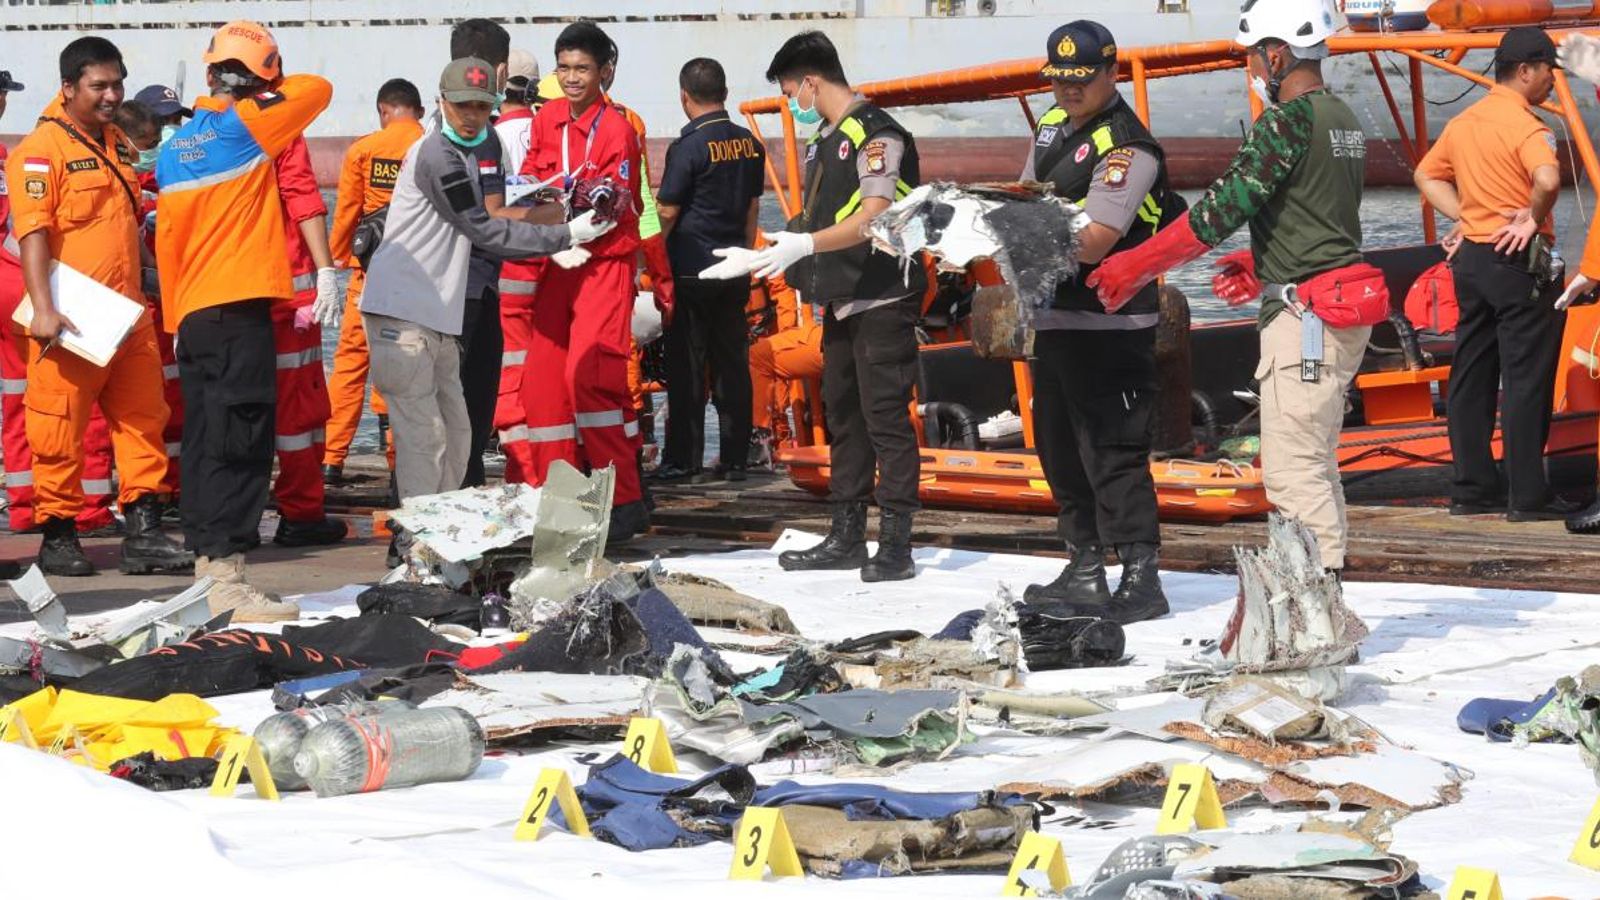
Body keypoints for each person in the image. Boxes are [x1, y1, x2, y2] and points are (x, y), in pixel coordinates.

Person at [1089, 0, 1370, 575]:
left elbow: (1213, 214)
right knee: (1315, 459)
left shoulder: (1286, 122)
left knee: (1291, 468)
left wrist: (1133, 266)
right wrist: (1264, 261)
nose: (1250, 68)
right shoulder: (1340, 116)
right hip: (1338, 301)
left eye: (1252, 56)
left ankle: (1316, 603)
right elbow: (1323, 216)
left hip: (1308, 318)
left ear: (1277, 53)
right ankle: (1323, 592)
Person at [704, 30, 928, 582]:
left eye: (790, 93)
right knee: (844, 417)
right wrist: (768, 255)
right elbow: (822, 216)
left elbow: (873, 214)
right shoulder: (827, 138)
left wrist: (803, 244)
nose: (792, 105)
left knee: (886, 420)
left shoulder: (876, 134)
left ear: (810, 82)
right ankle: (847, 534)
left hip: (882, 297)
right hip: (842, 302)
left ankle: (896, 544)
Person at [360, 58, 605, 536]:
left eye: (481, 106)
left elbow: (496, 209)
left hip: (441, 313)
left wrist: (549, 214)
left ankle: (444, 536)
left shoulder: (487, 141)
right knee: (423, 436)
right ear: (440, 103)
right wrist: (562, 237)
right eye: (462, 106)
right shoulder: (436, 156)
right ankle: (415, 545)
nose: (471, 115)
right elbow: (480, 227)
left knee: (460, 432)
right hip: (401, 310)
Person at [156, 20, 333, 619]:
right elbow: (318, 89)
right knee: (241, 441)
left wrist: (176, 315)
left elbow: (169, 242)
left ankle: (208, 569)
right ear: (259, 78)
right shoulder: (249, 126)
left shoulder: (176, 147)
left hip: (197, 316)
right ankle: (228, 580)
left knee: (206, 440)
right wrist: (270, 85)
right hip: (239, 313)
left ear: (207, 74)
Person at [1017, 21, 1182, 624]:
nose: (1068, 90)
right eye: (1060, 79)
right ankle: (1084, 563)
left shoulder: (1127, 145)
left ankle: (1141, 575)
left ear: (1111, 73)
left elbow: (1096, 239)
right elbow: (1025, 193)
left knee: (1113, 451)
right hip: (1056, 316)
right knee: (1059, 449)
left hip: (1111, 323)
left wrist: (1018, 228)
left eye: (1081, 80)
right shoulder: (1053, 126)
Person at [9, 37, 191, 577]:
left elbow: (124, 224)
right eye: (98, 86)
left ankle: (144, 532)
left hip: (126, 313)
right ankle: (59, 536)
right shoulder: (41, 152)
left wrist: (150, 281)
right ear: (68, 88)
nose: (112, 95)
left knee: (143, 421)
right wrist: (43, 309)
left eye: (117, 84)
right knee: (58, 427)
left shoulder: (114, 143)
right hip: (70, 316)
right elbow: (33, 234)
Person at [1414, 27, 1572, 522]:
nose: (1551, 81)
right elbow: (1548, 178)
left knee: (1472, 372)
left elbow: (1425, 175)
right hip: (1517, 260)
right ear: (1526, 71)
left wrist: (1464, 218)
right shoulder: (1527, 126)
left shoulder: (1465, 122)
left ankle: (1471, 489)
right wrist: (1530, 215)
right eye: (1548, 69)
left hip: (1473, 261)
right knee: (1526, 377)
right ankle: (1527, 497)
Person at [519, 22, 651, 541]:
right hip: (558, 261)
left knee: (590, 377)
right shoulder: (548, 118)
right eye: (565, 68)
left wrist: (569, 229)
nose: (572, 78)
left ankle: (626, 501)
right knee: (544, 380)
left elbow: (615, 206)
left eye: (583, 69)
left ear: (604, 73)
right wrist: (552, 232)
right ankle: (563, 497)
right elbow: (532, 183)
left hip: (603, 264)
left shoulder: (617, 130)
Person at [1, 68, 118, 539]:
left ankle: (27, 505)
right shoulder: (30, 153)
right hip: (33, 287)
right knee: (77, 398)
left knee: (16, 398)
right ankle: (86, 507)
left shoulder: (18, 153)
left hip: (11, 282)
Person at [653, 57, 764, 483]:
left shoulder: (688, 147)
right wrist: (747, 256)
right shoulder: (749, 144)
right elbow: (753, 208)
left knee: (686, 367)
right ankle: (736, 457)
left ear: (684, 97)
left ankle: (684, 459)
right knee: (733, 364)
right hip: (734, 269)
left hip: (692, 271)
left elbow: (667, 210)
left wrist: (651, 258)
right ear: (725, 94)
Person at [323, 78, 425, 483]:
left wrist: (336, 263)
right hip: (416, 280)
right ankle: (397, 457)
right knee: (401, 365)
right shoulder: (430, 146)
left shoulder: (364, 150)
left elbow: (346, 213)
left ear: (384, 110)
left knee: (349, 365)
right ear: (416, 110)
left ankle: (331, 459)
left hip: (367, 275)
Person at [268, 133, 347, 545]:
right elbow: (303, 199)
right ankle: (301, 513)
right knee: (300, 414)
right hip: (290, 301)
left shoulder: (201, 137)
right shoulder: (281, 134)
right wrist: (326, 271)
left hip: (226, 301)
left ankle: (234, 520)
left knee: (236, 413)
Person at [448, 18, 513, 489]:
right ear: (502, 70)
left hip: (448, 290)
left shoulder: (437, 130)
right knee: (467, 407)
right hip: (469, 289)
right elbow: (491, 218)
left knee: (443, 413)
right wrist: (556, 227)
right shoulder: (481, 135)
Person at [493, 49, 546, 485]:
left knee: (511, 370)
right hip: (550, 262)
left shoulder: (494, 137)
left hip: (510, 266)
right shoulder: (545, 128)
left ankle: (521, 473)